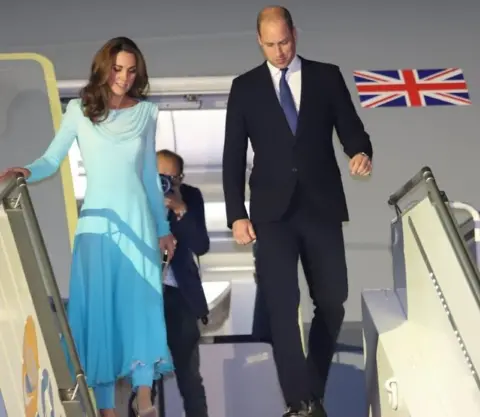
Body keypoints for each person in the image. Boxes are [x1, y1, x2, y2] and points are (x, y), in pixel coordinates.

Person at [0, 36, 176, 417]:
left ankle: (144, 395)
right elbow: (52, 158)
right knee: (98, 314)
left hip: (140, 228)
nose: (124, 77)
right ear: (103, 67)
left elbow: (148, 177)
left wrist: (163, 228)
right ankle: (106, 408)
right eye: (117, 69)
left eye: (131, 71)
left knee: (141, 307)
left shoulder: (146, 114)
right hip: (97, 230)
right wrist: (26, 170)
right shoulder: (80, 111)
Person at [222, 6, 373, 417]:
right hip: (271, 214)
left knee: (333, 300)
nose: (279, 51)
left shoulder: (326, 75)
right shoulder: (245, 87)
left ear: (296, 34)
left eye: (284, 42)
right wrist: (236, 213)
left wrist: (359, 151)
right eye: (270, 44)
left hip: (320, 207)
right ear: (259, 41)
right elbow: (234, 154)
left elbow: (350, 126)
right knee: (281, 303)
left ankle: (312, 391)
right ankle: (300, 402)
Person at [130, 149, 210, 417]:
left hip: (180, 295)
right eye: (159, 176)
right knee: (143, 376)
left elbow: (201, 245)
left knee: (189, 376)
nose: (165, 183)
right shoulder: (134, 193)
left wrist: (180, 209)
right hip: (143, 294)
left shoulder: (190, 197)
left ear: (180, 179)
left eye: (171, 178)